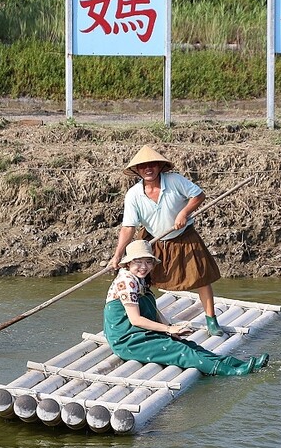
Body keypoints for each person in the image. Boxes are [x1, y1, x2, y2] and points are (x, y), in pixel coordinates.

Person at [104, 240, 268, 376]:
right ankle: (232, 372)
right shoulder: (126, 281)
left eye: (148, 262)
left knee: (190, 345)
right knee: (180, 350)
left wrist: (172, 330)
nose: (144, 267)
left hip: (142, 333)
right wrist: (168, 329)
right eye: (138, 262)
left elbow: (154, 311)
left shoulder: (140, 279)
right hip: (128, 339)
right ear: (128, 263)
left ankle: (237, 364)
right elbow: (135, 319)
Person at [109, 145, 225, 336]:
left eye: (152, 165)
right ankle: (144, 319)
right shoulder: (133, 195)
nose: (148, 169)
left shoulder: (175, 181)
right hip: (153, 240)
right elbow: (128, 227)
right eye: (143, 166)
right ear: (137, 170)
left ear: (159, 167)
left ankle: (211, 320)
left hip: (183, 236)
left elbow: (199, 195)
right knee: (142, 278)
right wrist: (118, 255)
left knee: (201, 277)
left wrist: (184, 212)